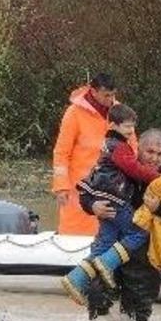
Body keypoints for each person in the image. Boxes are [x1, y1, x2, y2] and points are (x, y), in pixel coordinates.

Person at [90, 129, 161, 321]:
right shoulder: (115, 168)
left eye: (159, 154)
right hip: (110, 244)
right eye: (150, 152)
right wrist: (92, 206)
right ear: (138, 149)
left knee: (139, 319)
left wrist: (159, 208)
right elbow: (87, 189)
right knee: (97, 297)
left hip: (145, 256)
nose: (154, 158)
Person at [62, 104, 161, 305]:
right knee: (139, 232)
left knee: (103, 246)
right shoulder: (122, 150)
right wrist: (157, 177)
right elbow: (133, 170)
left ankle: (75, 279)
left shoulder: (109, 146)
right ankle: (105, 267)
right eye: (127, 127)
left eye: (159, 154)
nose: (131, 131)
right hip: (116, 203)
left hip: (135, 265)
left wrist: (159, 206)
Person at [51, 72, 124, 236]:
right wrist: (61, 186)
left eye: (113, 95)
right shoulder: (74, 113)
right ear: (93, 91)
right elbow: (61, 152)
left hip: (112, 188)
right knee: (75, 232)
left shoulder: (120, 113)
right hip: (80, 189)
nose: (110, 99)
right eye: (106, 95)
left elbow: (131, 149)